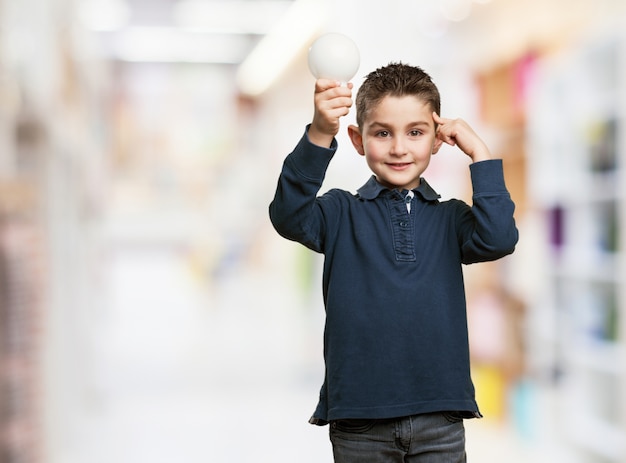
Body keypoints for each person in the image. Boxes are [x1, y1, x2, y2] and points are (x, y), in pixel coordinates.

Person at [269, 62, 518, 462]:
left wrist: (480, 154)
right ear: (357, 138)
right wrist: (319, 132)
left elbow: (499, 239)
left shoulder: (451, 217)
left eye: (415, 133)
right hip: (360, 420)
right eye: (382, 133)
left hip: (441, 417)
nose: (399, 148)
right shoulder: (339, 212)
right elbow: (288, 215)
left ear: (437, 139)